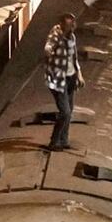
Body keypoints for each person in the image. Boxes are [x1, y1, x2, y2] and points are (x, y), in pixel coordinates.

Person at [43, 13, 84, 151]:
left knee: (70, 110)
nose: (71, 27)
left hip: (70, 77)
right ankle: (54, 142)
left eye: (72, 25)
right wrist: (48, 51)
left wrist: (79, 74)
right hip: (58, 79)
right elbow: (49, 46)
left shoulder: (72, 36)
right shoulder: (55, 35)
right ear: (62, 24)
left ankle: (64, 140)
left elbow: (74, 57)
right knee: (65, 112)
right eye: (68, 25)